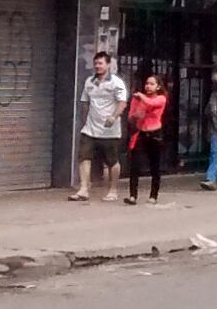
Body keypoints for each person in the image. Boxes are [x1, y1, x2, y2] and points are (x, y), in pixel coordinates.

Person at [70, 51, 128, 202]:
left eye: (101, 63)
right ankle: (83, 189)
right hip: (90, 128)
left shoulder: (116, 83)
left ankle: (113, 190)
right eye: (96, 63)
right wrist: (84, 121)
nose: (98, 66)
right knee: (84, 156)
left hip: (110, 130)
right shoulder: (90, 82)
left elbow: (122, 103)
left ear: (108, 65)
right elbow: (85, 102)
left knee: (112, 161)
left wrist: (114, 117)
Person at [125, 72, 167, 205]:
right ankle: (133, 196)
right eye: (147, 84)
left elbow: (151, 103)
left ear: (158, 87)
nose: (148, 86)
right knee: (135, 164)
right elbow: (130, 116)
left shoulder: (161, 98)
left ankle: (153, 195)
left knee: (155, 166)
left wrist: (141, 96)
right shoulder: (137, 100)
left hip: (155, 134)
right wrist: (135, 116)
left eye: (152, 84)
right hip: (141, 133)